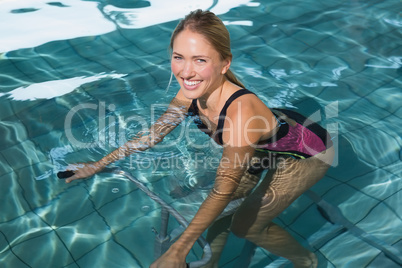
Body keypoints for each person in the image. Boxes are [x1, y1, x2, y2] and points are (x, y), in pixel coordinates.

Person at [63, 9, 334, 268]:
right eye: (178, 57)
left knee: (245, 225)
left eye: (200, 60)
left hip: (305, 154)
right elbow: (152, 135)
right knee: (223, 208)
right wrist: (97, 164)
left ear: (224, 63)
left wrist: (177, 250)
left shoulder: (240, 114)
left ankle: (306, 261)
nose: (185, 72)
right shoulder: (190, 93)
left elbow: (223, 188)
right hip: (266, 142)